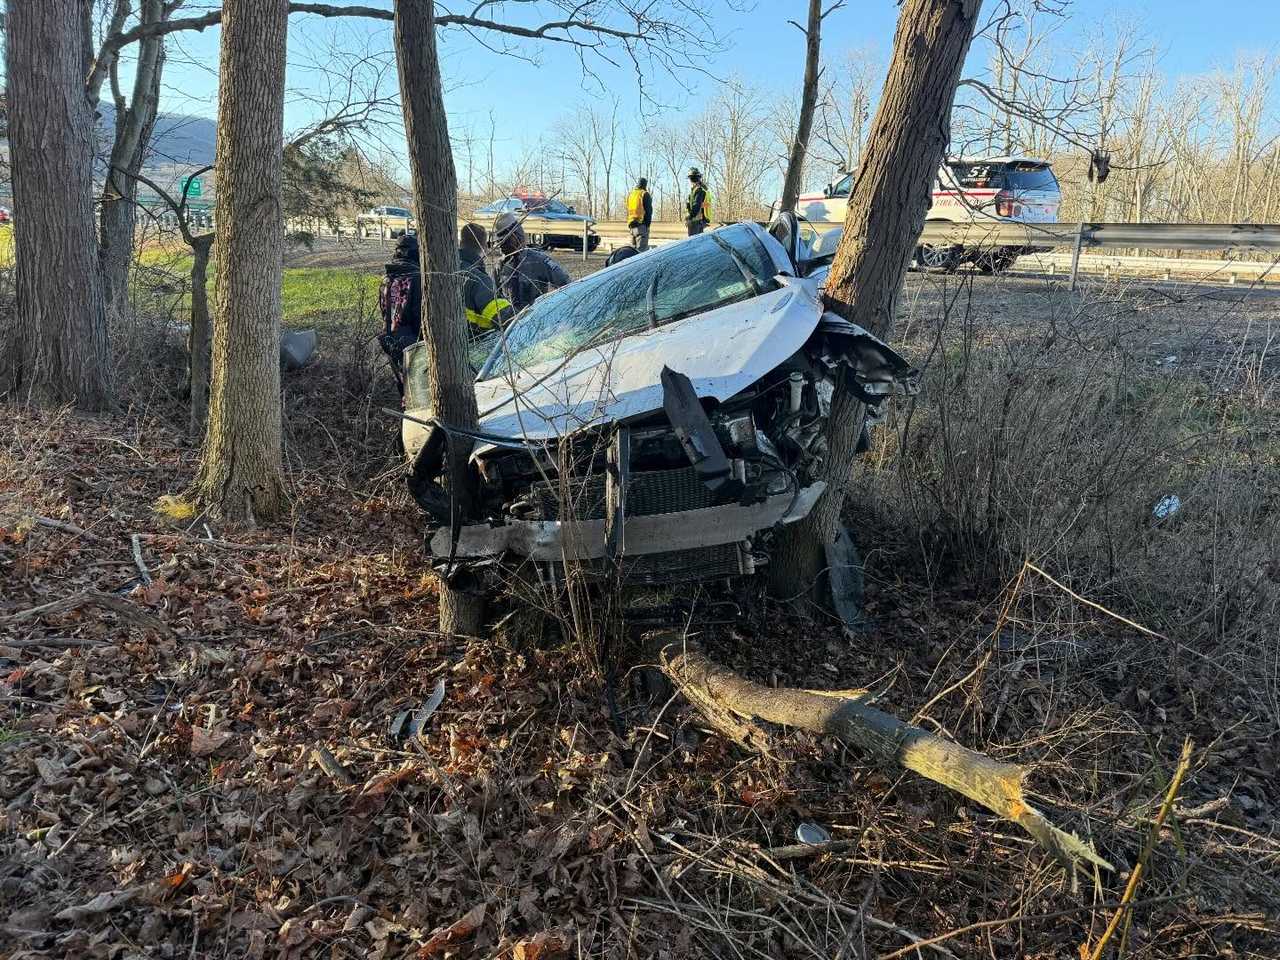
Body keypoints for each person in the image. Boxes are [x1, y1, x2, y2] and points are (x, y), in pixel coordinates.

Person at [493, 212, 571, 313]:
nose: (501, 246)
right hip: (510, 323)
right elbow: (495, 298)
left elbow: (566, 285)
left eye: (505, 241)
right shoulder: (500, 266)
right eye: (499, 242)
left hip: (535, 320)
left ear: (516, 237)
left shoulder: (539, 260)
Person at [377, 233, 421, 392]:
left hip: (389, 339)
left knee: (403, 386)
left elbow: (384, 312)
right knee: (417, 389)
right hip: (413, 343)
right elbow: (419, 317)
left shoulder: (386, 278)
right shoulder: (416, 278)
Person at [458, 222, 512, 334]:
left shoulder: (444, 269)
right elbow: (507, 319)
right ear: (485, 248)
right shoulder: (479, 281)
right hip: (474, 346)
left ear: (460, 243)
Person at [626, 177, 653, 252]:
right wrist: (647, 226)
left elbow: (628, 208)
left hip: (631, 227)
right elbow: (649, 211)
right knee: (641, 253)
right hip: (641, 226)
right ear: (645, 185)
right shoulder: (644, 194)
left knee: (632, 253)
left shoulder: (630, 194)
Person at [685, 167, 713, 236]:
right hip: (701, 220)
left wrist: (689, 217)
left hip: (696, 220)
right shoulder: (703, 189)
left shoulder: (698, 190)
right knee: (699, 242)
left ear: (691, 179)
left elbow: (696, 206)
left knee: (693, 243)